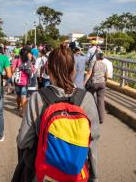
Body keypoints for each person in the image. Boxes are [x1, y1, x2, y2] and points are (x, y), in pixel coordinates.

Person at [15, 44, 100, 181]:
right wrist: (94, 177)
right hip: (76, 174)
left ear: (48, 69)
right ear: (73, 70)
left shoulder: (38, 98)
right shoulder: (86, 99)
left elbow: (23, 141)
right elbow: (92, 143)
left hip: (44, 174)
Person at [85, 52, 108, 124]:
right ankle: (101, 119)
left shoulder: (93, 63)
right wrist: (105, 81)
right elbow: (106, 75)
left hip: (94, 83)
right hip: (102, 84)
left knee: (90, 98)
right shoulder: (105, 65)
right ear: (102, 58)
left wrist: (84, 82)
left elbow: (89, 73)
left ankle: (91, 116)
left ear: (97, 57)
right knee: (101, 100)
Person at [12, 48, 33, 114]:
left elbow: (12, 69)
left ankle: (19, 107)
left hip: (17, 81)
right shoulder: (28, 62)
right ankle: (23, 111)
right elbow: (32, 71)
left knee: (18, 95)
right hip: (25, 82)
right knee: (23, 96)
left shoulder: (16, 60)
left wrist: (16, 70)